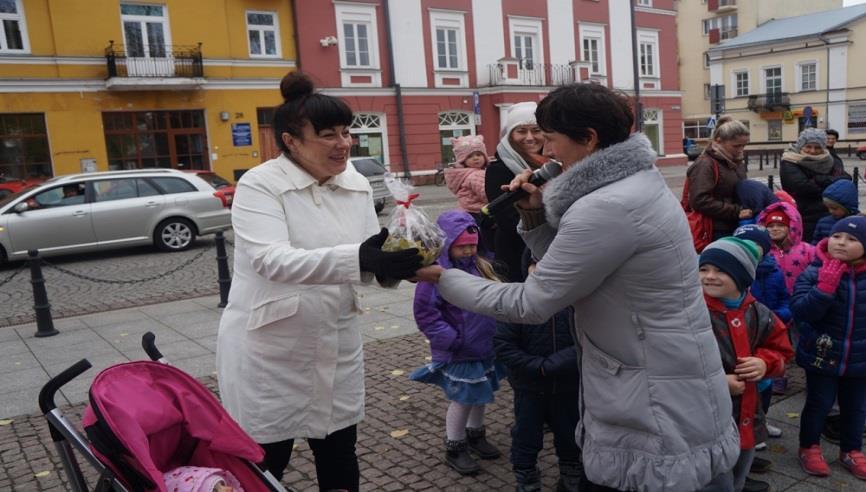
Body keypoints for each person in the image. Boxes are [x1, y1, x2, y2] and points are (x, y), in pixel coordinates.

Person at [415, 83, 739, 491]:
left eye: (551, 139)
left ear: (588, 139)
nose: (546, 152)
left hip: (651, 387)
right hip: (659, 368)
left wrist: (443, 277)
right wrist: (533, 216)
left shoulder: (606, 206)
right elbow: (584, 266)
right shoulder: (634, 181)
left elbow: (532, 302)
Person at [215, 72, 423, 491]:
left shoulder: (357, 183)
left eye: (347, 132)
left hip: (336, 340)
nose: (344, 144)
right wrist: (360, 258)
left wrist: (388, 266)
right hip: (272, 349)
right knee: (265, 461)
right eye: (328, 135)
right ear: (290, 141)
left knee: (339, 450)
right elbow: (271, 260)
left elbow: (362, 259)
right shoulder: (261, 185)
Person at [410, 210, 505, 476]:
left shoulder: (480, 266)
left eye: (472, 246)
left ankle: (476, 434)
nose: (467, 252)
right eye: (462, 247)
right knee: (464, 398)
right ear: (448, 245)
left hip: (484, 345)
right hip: (460, 348)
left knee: (481, 393)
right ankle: (455, 444)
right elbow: (425, 312)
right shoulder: (437, 275)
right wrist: (449, 338)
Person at [699, 237, 793, 492]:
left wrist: (765, 363)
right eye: (703, 269)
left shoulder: (759, 312)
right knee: (712, 477)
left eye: (720, 270)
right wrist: (718, 383)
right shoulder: (693, 312)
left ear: (742, 276)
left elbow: (781, 348)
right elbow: (677, 361)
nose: (709, 276)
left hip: (748, 412)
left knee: (740, 468)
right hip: (705, 417)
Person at [494, 252, 582, 492]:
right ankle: (526, 475)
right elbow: (503, 345)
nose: (543, 271)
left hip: (567, 385)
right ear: (528, 268)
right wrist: (537, 367)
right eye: (537, 265)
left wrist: (559, 363)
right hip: (529, 387)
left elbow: (587, 340)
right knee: (526, 434)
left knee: (570, 432)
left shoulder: (577, 302)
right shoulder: (517, 303)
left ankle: (571, 471)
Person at [792, 216, 866, 480]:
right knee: (818, 403)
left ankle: (851, 450)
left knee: (856, 407)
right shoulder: (813, 271)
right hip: (822, 355)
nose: (841, 243)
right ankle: (809, 447)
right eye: (837, 236)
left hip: (859, 358)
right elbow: (800, 312)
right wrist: (823, 290)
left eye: (852, 239)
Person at [484, 102, 547, 281]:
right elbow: (506, 219)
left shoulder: (552, 162)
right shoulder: (499, 169)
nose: (529, 137)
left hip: (549, 252)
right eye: (521, 131)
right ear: (510, 135)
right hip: (515, 252)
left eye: (536, 130)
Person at [686, 115, 752, 239]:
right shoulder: (705, 164)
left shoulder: (736, 161)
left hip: (736, 224)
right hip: (713, 230)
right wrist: (736, 211)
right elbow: (699, 201)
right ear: (718, 140)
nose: (741, 150)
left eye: (744, 145)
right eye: (736, 146)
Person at [780, 128, 850, 242]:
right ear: (800, 146)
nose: (812, 151)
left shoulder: (829, 159)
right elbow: (804, 187)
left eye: (817, 147)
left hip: (829, 213)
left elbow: (846, 178)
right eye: (808, 146)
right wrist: (832, 184)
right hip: (803, 215)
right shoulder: (789, 161)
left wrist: (819, 179)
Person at [444, 134, 495, 252]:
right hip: (478, 213)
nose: (476, 158)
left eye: (479, 154)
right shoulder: (475, 175)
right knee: (486, 241)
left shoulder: (465, 173)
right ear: (463, 160)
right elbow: (487, 194)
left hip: (467, 212)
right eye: (470, 156)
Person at [756, 203, 816, 295]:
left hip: (802, 297)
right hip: (773, 300)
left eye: (780, 225)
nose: (775, 229)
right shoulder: (762, 251)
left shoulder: (808, 250)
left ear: (791, 227)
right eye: (770, 226)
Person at [812, 179, 860, 245]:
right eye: (828, 207)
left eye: (834, 208)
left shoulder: (859, 223)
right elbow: (815, 243)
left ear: (847, 207)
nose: (830, 211)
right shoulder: (823, 222)